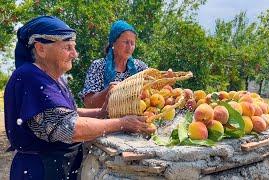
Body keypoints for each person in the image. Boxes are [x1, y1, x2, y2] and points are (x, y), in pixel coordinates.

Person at [4, 16, 155, 180]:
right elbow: (70, 127)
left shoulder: (54, 77)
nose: (74, 54)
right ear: (41, 49)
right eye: (68, 47)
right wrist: (122, 123)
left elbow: (70, 113)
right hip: (40, 170)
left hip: (56, 166)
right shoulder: (30, 78)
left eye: (74, 47)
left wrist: (102, 112)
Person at [80, 20, 148, 108]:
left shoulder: (140, 67)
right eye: (126, 42)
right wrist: (107, 91)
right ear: (113, 43)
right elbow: (89, 103)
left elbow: (154, 91)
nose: (130, 47)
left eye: (132, 43)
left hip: (134, 119)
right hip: (105, 121)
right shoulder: (98, 66)